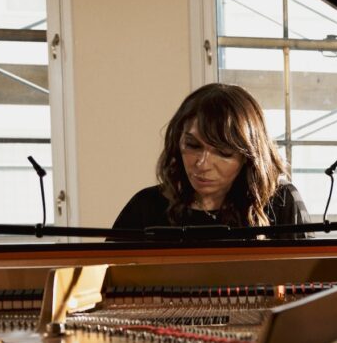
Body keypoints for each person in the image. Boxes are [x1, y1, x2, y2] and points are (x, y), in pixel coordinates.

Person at [112, 83, 311, 237]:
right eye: (193, 146)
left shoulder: (281, 202)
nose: (202, 164)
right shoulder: (146, 207)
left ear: (248, 157)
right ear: (177, 142)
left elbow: (307, 285)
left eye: (223, 152)